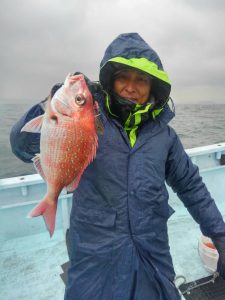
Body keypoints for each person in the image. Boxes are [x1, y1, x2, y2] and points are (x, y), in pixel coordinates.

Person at [10, 33, 225, 300]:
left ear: (153, 86)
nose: (131, 87)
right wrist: (51, 102)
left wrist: (219, 234)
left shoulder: (165, 137)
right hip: (94, 252)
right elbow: (21, 146)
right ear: (110, 80)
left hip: (152, 251)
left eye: (141, 80)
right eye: (124, 77)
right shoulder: (87, 122)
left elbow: (191, 186)